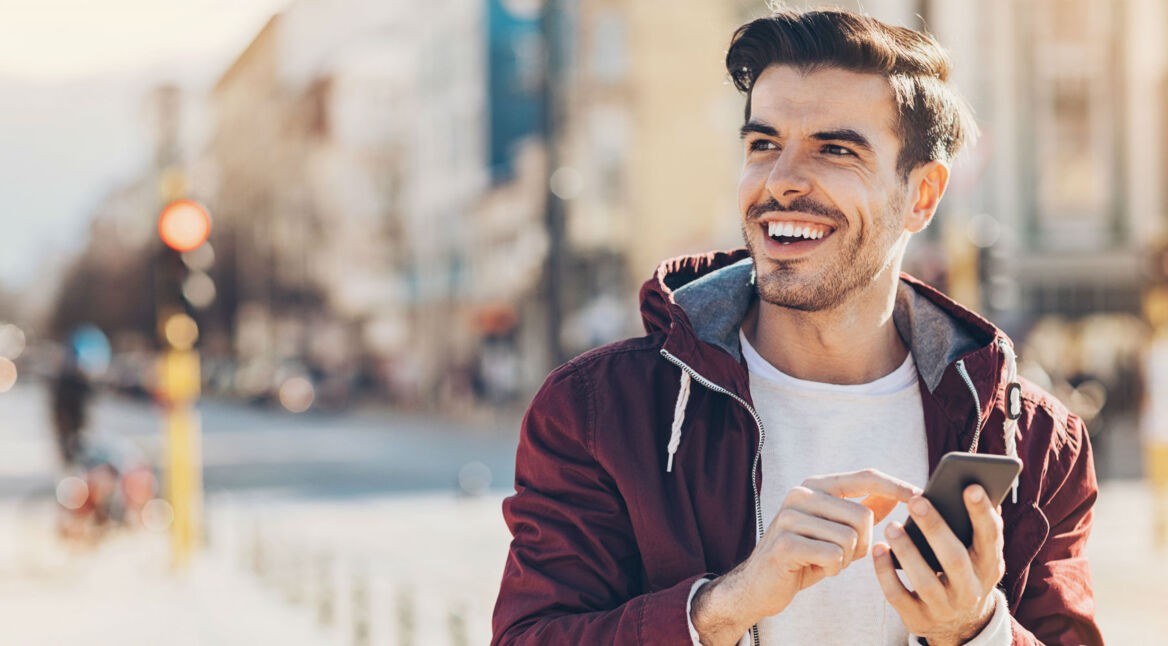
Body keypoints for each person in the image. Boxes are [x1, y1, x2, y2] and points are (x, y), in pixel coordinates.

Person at [492, 8, 1101, 646]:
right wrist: (721, 608)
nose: (780, 181)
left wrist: (976, 631)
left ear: (921, 196)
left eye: (835, 149)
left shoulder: (1029, 440)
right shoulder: (598, 413)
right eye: (763, 145)